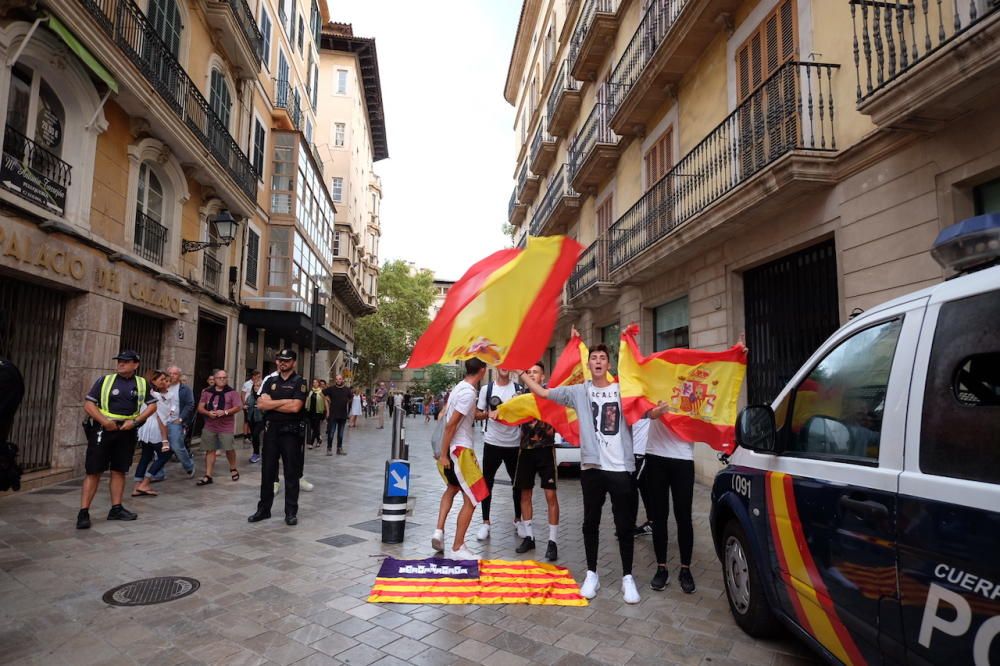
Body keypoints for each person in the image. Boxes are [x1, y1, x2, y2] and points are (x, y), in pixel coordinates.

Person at [518, 332, 641, 604]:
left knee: (624, 525)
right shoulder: (579, 391)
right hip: (592, 467)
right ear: (589, 364)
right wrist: (523, 374)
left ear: (609, 364)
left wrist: (659, 411)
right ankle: (592, 574)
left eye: (602, 358)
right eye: (593, 358)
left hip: (621, 468)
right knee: (590, 522)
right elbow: (544, 392)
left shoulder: (623, 388)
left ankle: (627, 577)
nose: (598, 361)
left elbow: (646, 408)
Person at [78, 351, 158, 528]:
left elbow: (152, 406)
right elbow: (89, 405)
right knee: (94, 471)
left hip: (126, 431)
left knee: (119, 470)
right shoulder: (105, 381)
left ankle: (116, 508)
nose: (121, 364)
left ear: (135, 365)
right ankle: (83, 512)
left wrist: (136, 421)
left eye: (125, 361)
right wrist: (105, 422)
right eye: (119, 361)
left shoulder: (142, 383)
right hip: (103, 430)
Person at [432, 358, 489, 560]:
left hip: (454, 450)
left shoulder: (460, 388)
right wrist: (444, 454)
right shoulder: (468, 392)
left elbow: (467, 416)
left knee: (453, 488)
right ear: (482, 371)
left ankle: (438, 532)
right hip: (460, 452)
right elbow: (451, 425)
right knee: (474, 498)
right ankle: (458, 547)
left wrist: (491, 414)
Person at [249, 349, 307, 526]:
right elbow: (261, 404)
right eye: (280, 360)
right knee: (267, 472)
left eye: (287, 360)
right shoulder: (270, 381)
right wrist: (284, 402)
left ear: (294, 362)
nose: (283, 363)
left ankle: (290, 512)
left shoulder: (300, 382)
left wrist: (272, 404)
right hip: (272, 430)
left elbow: (295, 408)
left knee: (291, 473)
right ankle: (263, 510)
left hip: (290, 432)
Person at [509, 362, 560, 561]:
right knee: (524, 494)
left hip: (546, 450)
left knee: (551, 496)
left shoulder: (551, 395)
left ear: (542, 376)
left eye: (535, 372)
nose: (531, 374)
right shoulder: (519, 397)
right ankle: (529, 537)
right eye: (528, 372)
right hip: (526, 451)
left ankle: (553, 541)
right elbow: (507, 413)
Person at [475, 368, 525, 542]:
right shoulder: (486, 390)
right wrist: (489, 414)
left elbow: (525, 413)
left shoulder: (519, 390)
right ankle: (485, 522)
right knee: (487, 483)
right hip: (492, 443)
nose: (505, 367)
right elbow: (476, 413)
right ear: (496, 366)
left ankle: (518, 520)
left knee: (517, 483)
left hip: (513, 443)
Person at [196, 369, 242, 486]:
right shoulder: (207, 392)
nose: (222, 380)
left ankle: (233, 468)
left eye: (224, 378)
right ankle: (208, 475)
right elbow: (200, 408)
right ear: (214, 379)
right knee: (210, 449)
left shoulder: (232, 392)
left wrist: (225, 412)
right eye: (219, 378)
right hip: (210, 425)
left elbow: (238, 407)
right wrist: (208, 413)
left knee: (228, 448)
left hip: (226, 426)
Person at [132, 370, 170, 497]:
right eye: (162, 380)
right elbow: (162, 420)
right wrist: (165, 439)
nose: (165, 382)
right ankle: (145, 483)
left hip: (144, 428)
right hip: (154, 429)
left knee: (146, 456)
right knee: (164, 455)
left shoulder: (145, 393)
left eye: (165, 379)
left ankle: (137, 486)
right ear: (153, 381)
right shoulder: (157, 397)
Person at [165, 366, 196, 478]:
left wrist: (181, 418)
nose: (172, 376)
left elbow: (190, 404)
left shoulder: (185, 389)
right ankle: (158, 473)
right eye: (170, 373)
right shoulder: (162, 387)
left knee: (177, 446)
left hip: (175, 422)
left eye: (175, 374)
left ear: (179, 376)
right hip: (161, 422)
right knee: (158, 447)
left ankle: (189, 466)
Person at [323, 374, 352, 455]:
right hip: (333, 415)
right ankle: (329, 449)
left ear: (342, 380)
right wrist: (328, 400)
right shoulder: (331, 389)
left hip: (343, 415)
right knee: (331, 433)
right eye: (336, 379)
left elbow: (351, 397)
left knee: (341, 433)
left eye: (339, 379)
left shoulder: (347, 389)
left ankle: (339, 449)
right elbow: (323, 393)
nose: (338, 380)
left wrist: (345, 402)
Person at [245, 372, 265, 463]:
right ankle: (256, 453)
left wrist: (262, 407)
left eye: (258, 386)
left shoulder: (264, 396)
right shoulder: (250, 396)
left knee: (256, 434)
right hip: (251, 418)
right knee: (254, 436)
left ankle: (258, 453)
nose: (256, 387)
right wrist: (245, 406)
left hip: (261, 419)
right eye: (255, 386)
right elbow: (246, 403)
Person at [305, 379, 326, 449]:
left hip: (318, 412)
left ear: (318, 384)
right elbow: (307, 400)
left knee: (316, 427)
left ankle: (311, 443)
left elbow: (325, 401)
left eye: (316, 382)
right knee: (314, 427)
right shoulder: (311, 392)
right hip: (310, 411)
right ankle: (319, 439)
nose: (314, 383)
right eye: (313, 382)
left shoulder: (321, 391)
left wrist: (325, 411)